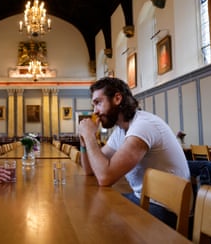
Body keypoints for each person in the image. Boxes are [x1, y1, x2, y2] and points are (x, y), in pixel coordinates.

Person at [78, 77, 190, 228]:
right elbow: (90, 170)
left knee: (98, 223)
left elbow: (105, 177)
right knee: (90, 212)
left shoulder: (142, 126)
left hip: (165, 209)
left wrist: (90, 136)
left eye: (98, 102)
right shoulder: (121, 131)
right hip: (143, 199)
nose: (95, 111)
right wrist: (84, 141)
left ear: (117, 98)